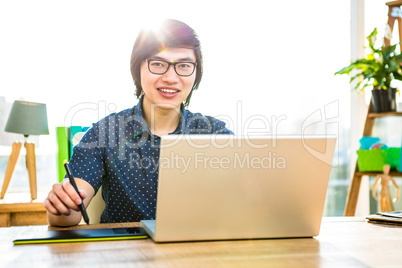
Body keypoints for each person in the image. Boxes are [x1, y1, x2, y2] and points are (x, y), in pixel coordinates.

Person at [44, 19, 233, 226]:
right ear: (138, 67)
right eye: (158, 64)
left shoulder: (214, 134)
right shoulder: (104, 134)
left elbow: (246, 195)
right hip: (124, 254)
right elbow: (69, 212)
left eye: (184, 65)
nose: (171, 77)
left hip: (196, 252)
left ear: (196, 73)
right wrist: (62, 207)